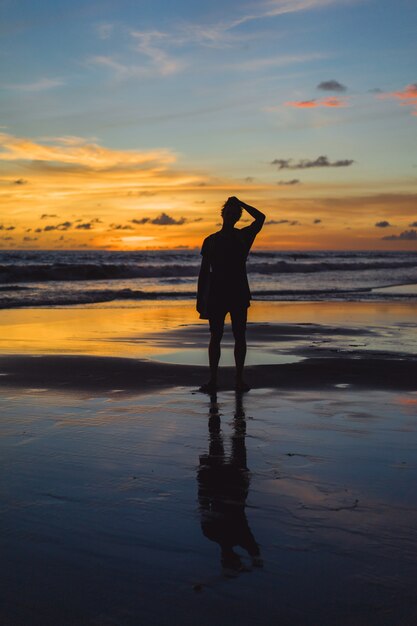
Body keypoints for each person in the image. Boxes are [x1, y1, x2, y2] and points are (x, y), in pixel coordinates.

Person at [197, 196, 265, 393]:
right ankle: (213, 380)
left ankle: (239, 380)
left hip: (238, 292)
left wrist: (241, 203)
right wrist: (201, 298)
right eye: (229, 212)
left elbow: (261, 218)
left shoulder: (244, 236)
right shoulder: (210, 241)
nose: (231, 216)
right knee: (215, 336)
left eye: (235, 214)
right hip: (216, 293)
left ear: (237, 217)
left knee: (239, 336)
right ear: (222, 214)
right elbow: (203, 272)